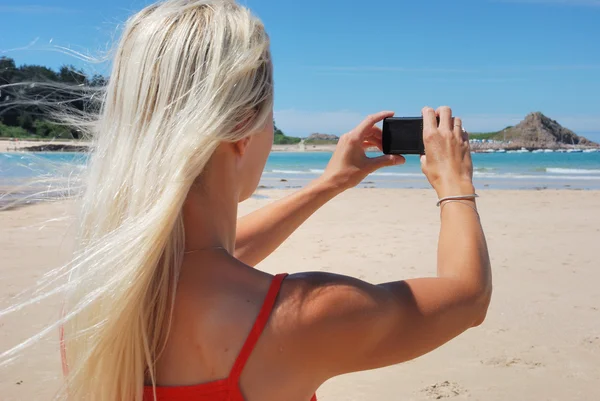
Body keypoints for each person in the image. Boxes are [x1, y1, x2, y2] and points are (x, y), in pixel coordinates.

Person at [56, 1, 492, 400]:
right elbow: (469, 298)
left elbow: (196, 253)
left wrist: (327, 185)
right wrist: (454, 181)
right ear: (243, 130)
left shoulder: (96, 301)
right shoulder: (303, 317)